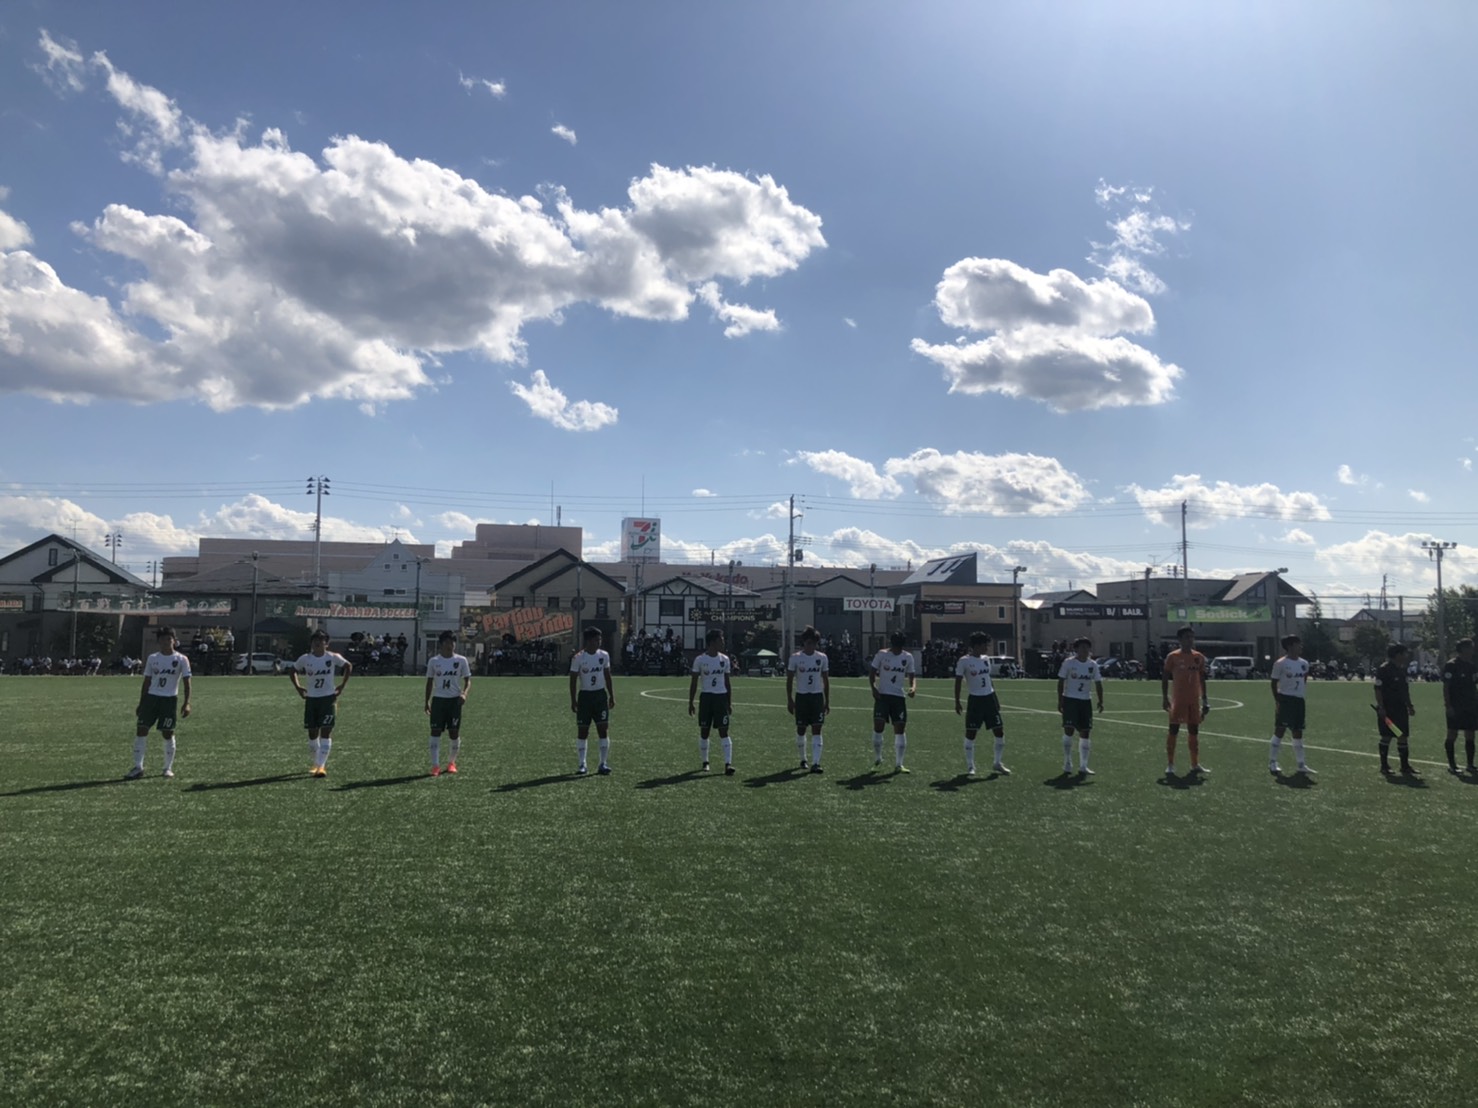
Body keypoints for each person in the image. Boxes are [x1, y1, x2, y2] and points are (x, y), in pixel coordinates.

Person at [126, 626, 192, 779]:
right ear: (158, 642)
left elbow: (187, 682)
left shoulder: (181, 659)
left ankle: (167, 768)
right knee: (141, 730)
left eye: (169, 639)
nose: (166, 642)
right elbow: (147, 681)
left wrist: (187, 702)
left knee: (168, 733)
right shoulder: (153, 658)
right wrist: (141, 702)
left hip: (169, 700)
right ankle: (138, 767)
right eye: (162, 639)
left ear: (174, 641)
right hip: (151, 698)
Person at [290, 629, 352, 778]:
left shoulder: (332, 657)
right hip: (311, 699)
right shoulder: (305, 659)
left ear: (326, 644)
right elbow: (293, 670)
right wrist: (298, 687)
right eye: (314, 641)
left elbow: (348, 666)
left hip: (328, 699)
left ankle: (321, 766)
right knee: (312, 734)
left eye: (321, 641)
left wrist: (342, 686)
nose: (317, 643)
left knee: (326, 731)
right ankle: (316, 763)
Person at [954, 631, 1008, 776]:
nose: (987, 647)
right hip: (975, 700)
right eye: (985, 645)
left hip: (989, 699)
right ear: (977, 646)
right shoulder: (964, 661)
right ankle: (970, 766)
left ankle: (997, 763)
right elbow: (958, 681)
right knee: (971, 733)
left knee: (999, 731)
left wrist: (996, 698)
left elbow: (988, 679)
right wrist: (957, 701)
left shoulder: (986, 659)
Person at [1162, 626, 1210, 777]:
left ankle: (1195, 764)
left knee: (1194, 730)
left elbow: (1202, 679)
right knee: (1173, 730)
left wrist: (1205, 700)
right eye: (1187, 637)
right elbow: (1165, 677)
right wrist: (1164, 697)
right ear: (1180, 640)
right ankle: (1170, 764)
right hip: (1178, 700)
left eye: (1192, 637)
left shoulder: (1199, 657)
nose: (1190, 640)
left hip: (1194, 700)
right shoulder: (1173, 657)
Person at [425, 630, 472, 776]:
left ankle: (451, 763)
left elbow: (468, 680)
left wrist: (464, 694)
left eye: (452, 642)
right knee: (435, 731)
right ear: (441, 644)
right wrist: (426, 701)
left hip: (454, 701)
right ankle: (435, 766)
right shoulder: (434, 661)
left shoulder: (461, 660)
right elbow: (429, 682)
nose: (450, 645)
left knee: (454, 732)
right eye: (446, 642)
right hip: (438, 701)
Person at [569, 626, 616, 775]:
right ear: (589, 641)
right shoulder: (578, 658)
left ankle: (603, 763)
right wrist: (573, 700)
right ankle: (582, 764)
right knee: (583, 731)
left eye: (600, 639)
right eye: (596, 640)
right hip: (585, 697)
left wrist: (611, 695)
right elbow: (572, 680)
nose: (599, 642)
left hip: (600, 697)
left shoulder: (604, 655)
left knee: (603, 729)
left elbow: (608, 676)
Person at [869, 632, 918, 773]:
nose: (897, 649)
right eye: (896, 646)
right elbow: (872, 672)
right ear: (892, 644)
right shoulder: (882, 654)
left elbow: (912, 676)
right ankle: (878, 758)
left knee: (900, 729)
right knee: (878, 726)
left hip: (898, 698)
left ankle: (899, 764)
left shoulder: (907, 657)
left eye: (900, 647)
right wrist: (873, 688)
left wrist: (913, 687)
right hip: (882, 697)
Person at [688, 627, 735, 774]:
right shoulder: (700, 660)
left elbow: (727, 682)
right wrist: (691, 702)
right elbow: (694, 682)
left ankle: (728, 764)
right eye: (721, 640)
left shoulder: (724, 659)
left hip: (721, 698)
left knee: (724, 731)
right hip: (706, 698)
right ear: (713, 642)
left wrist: (729, 702)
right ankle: (705, 762)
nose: (723, 642)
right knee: (704, 731)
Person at [785, 625, 830, 774]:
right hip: (802, 697)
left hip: (817, 697)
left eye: (814, 643)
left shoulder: (822, 658)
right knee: (801, 729)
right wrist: (790, 699)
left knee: (817, 729)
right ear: (804, 642)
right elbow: (789, 680)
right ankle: (803, 759)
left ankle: (816, 763)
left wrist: (827, 701)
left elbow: (825, 680)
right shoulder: (796, 658)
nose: (811, 646)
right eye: (808, 642)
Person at [1268, 634, 1314, 776]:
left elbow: (1304, 681)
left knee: (1298, 731)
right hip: (1285, 699)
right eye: (1297, 644)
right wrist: (1278, 700)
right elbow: (1274, 683)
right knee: (1280, 729)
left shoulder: (1304, 663)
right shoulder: (1280, 663)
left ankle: (1301, 764)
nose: (1300, 646)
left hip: (1299, 701)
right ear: (1289, 646)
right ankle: (1272, 762)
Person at [1057, 637, 1103, 775]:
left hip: (1085, 701)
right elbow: (1061, 681)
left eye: (1087, 647)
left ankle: (1084, 766)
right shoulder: (1069, 663)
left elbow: (1098, 683)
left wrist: (1101, 700)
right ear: (1076, 649)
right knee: (1069, 730)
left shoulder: (1093, 665)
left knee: (1085, 732)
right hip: (1070, 700)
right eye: (1082, 647)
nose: (1085, 650)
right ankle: (1067, 762)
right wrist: (1060, 700)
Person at [1374, 642, 1416, 775]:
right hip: (1388, 708)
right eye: (1404, 653)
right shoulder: (1384, 669)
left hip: (1400, 708)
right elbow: (1378, 689)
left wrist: (1409, 705)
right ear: (1397, 654)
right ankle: (1384, 766)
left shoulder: (1402, 669)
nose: (1406, 656)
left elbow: (1405, 690)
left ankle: (1405, 766)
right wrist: (1381, 707)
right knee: (1387, 736)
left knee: (1402, 735)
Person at [1441, 638, 1477, 775]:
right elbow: (1446, 687)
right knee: (1452, 733)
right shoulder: (1452, 665)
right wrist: (1448, 705)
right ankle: (1452, 765)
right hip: (1456, 705)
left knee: (1470, 734)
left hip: (1471, 705)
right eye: (1471, 647)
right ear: (1463, 649)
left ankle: (1470, 764)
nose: (1473, 650)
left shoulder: (1472, 665)